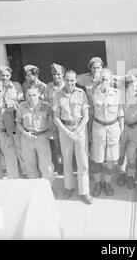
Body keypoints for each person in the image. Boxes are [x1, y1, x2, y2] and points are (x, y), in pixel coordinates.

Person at [53, 70, 92, 204]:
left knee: (83, 162)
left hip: (80, 130)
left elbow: (86, 116)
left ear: (76, 81)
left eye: (72, 80)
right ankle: (69, 187)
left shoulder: (81, 94)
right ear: (64, 80)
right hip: (65, 130)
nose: (70, 83)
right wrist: (68, 132)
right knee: (67, 161)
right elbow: (56, 117)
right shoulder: (58, 94)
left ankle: (84, 191)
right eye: (67, 80)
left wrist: (76, 132)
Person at [90, 69, 124, 197]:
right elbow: (91, 114)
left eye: (107, 79)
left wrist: (122, 131)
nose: (105, 82)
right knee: (96, 160)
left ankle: (107, 182)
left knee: (111, 160)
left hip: (113, 129)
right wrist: (89, 133)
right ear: (99, 80)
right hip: (98, 128)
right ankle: (98, 183)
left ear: (111, 80)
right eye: (102, 79)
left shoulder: (117, 94)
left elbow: (121, 113)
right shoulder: (94, 93)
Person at [16, 86, 56, 194]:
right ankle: (34, 189)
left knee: (46, 164)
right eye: (29, 95)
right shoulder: (22, 106)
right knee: (30, 165)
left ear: (39, 94)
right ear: (26, 95)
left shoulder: (46, 106)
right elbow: (18, 122)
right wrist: (25, 133)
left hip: (42, 137)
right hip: (27, 137)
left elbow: (54, 119)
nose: (32, 97)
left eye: (34, 95)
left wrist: (50, 132)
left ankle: (49, 188)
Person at [117, 75, 137, 189]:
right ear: (128, 86)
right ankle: (121, 174)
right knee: (121, 153)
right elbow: (120, 113)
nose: (136, 88)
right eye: (133, 86)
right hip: (123, 127)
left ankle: (130, 176)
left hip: (136, 128)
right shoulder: (122, 96)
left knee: (131, 155)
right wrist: (122, 130)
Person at [0, 65, 25, 176]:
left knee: (20, 146)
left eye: (7, 75)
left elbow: (21, 101)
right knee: (7, 147)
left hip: (15, 119)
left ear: (10, 76)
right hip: (4, 121)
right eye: (3, 75)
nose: (5, 77)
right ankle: (10, 172)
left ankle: (25, 171)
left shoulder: (16, 86)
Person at [45, 63, 65, 174]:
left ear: (63, 74)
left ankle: (71, 164)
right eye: (54, 74)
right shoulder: (49, 87)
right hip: (54, 120)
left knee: (68, 144)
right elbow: (46, 104)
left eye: (58, 74)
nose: (56, 77)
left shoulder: (67, 85)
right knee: (57, 145)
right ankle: (60, 165)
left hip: (66, 120)